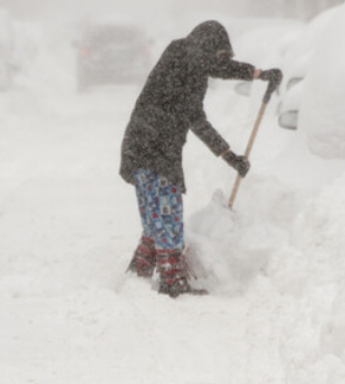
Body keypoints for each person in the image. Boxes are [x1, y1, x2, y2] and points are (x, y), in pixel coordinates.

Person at [119, 19, 281, 297]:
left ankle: (141, 269)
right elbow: (197, 120)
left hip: (141, 147)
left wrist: (258, 74)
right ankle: (172, 281)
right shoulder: (185, 64)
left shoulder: (183, 55)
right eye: (216, 54)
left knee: (155, 214)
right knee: (168, 213)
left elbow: (217, 67)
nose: (216, 63)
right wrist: (230, 156)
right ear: (206, 49)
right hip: (156, 149)